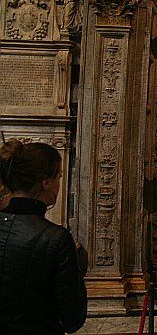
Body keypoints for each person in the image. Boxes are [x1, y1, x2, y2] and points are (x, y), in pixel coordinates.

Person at [0, 140, 87, 335]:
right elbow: (72, 317)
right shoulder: (55, 238)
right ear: (46, 182)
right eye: (59, 177)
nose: (58, 185)